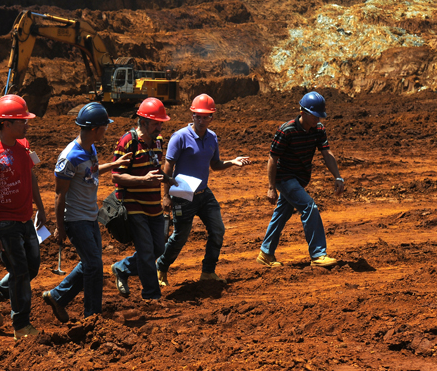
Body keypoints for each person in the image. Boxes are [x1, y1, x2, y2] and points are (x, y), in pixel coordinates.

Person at [41, 103, 131, 321]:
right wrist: (60, 228)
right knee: (94, 266)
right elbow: (59, 194)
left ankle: (57, 297)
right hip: (75, 219)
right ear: (94, 129)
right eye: (104, 127)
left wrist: (115, 164)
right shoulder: (70, 157)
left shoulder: (90, 149)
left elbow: (91, 171)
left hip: (90, 216)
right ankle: (93, 316)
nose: (106, 130)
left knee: (90, 263)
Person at [156, 94, 251, 286]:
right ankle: (161, 267)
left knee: (218, 230)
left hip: (203, 193)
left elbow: (214, 165)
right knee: (180, 237)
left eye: (205, 116)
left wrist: (232, 162)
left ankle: (208, 272)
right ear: (192, 116)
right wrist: (166, 195)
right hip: (183, 194)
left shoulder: (212, 137)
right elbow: (168, 167)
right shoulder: (180, 137)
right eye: (197, 116)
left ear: (211, 117)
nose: (201, 120)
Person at [0, 94, 46, 341]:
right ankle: (22, 325)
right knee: (21, 273)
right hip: (5, 223)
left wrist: (41, 207)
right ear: (6, 123)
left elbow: (32, 176)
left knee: (31, 267)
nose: (27, 124)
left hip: (26, 220)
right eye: (21, 121)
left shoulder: (24, 145)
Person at [256, 91, 344, 268]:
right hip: (284, 177)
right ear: (303, 112)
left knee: (282, 213)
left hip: (300, 178)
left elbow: (327, 153)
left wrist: (338, 176)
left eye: (320, 116)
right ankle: (318, 254)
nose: (318, 120)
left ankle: (266, 253)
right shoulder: (286, 130)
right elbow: (272, 158)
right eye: (315, 116)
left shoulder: (318, 129)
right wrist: (271, 187)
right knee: (309, 207)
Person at [110, 97, 173, 300]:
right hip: (134, 205)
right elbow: (116, 175)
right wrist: (142, 180)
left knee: (158, 248)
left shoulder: (158, 141)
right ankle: (151, 295)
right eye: (156, 123)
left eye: (161, 123)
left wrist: (173, 181)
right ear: (143, 122)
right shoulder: (127, 142)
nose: (159, 127)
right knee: (146, 250)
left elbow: (155, 170)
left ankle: (122, 268)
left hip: (153, 205)